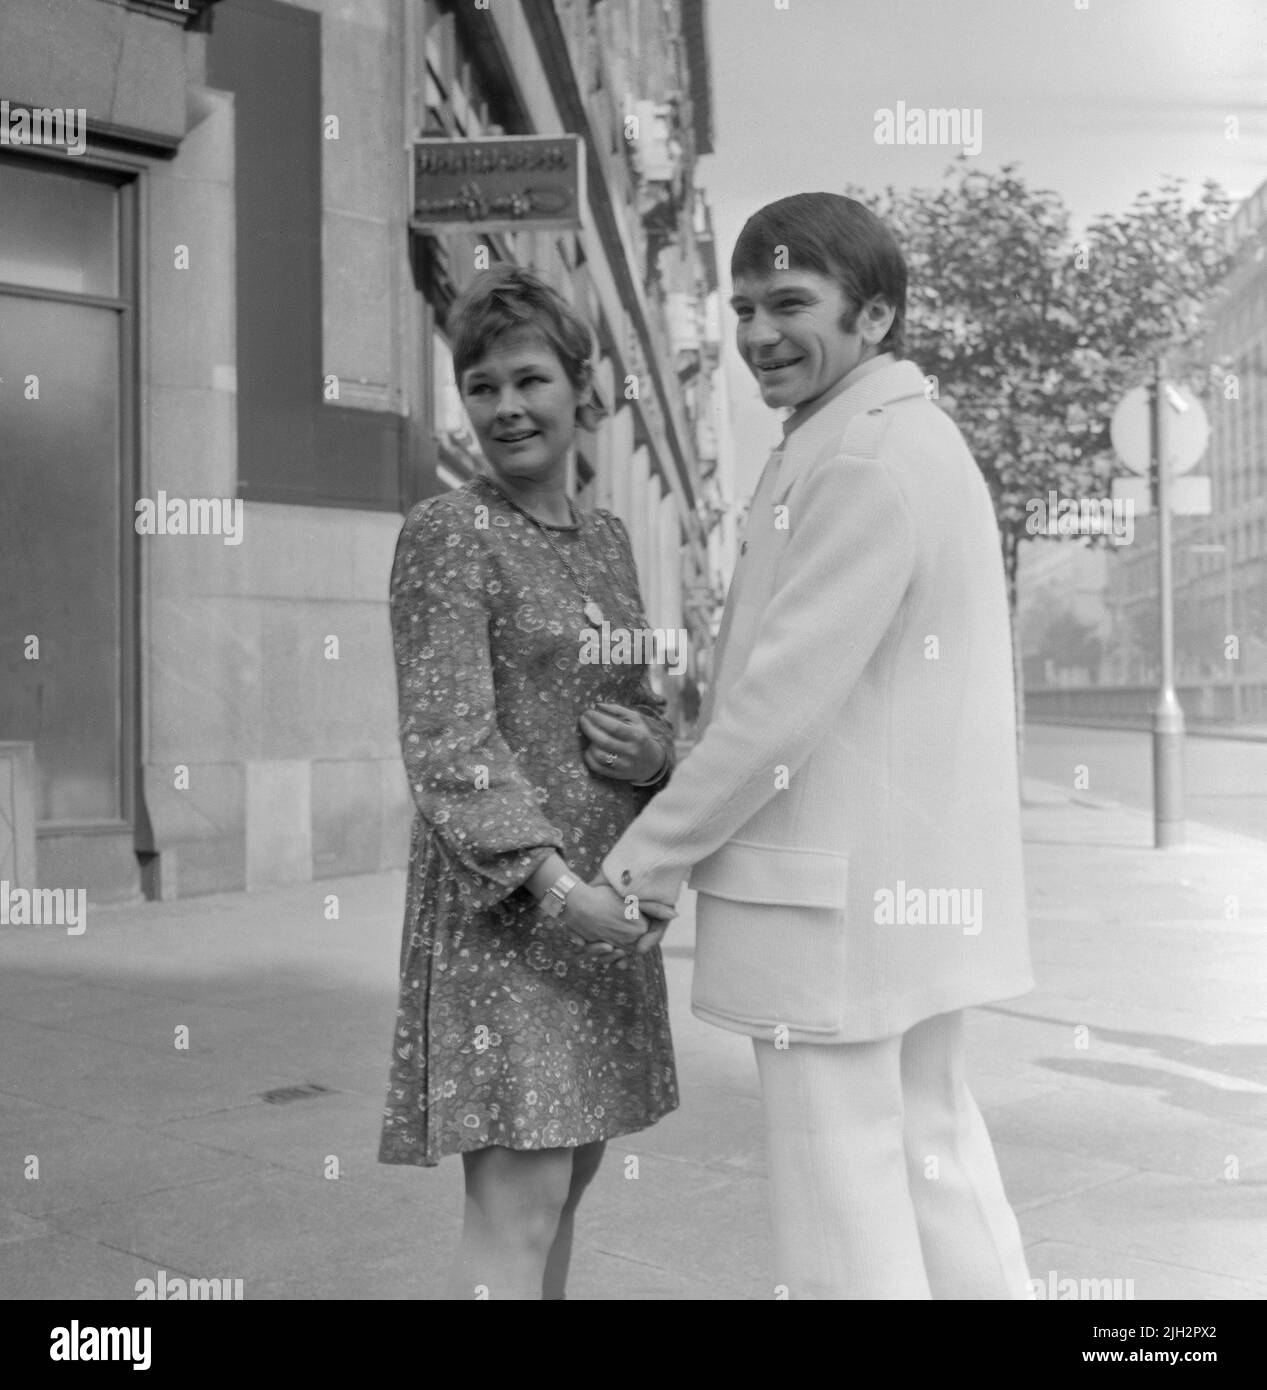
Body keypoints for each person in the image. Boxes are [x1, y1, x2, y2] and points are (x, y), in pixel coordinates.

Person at [590, 193, 1035, 1299]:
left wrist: (645, 860)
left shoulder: (858, 460)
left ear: (875, 315)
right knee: (933, 1149)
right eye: (742, 307)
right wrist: (675, 761)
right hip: (903, 898)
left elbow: (778, 706)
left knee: (843, 1193)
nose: (755, 334)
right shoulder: (898, 439)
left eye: (790, 303)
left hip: (833, 908)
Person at [377, 264, 679, 1300]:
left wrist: (659, 753)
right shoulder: (448, 532)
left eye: (528, 379)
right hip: (516, 915)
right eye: (481, 386)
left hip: (602, 909)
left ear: (579, 388)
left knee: (569, 1180)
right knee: (516, 1204)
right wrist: (557, 890)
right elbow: (450, 741)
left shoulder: (606, 540)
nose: (505, 406)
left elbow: (641, 698)